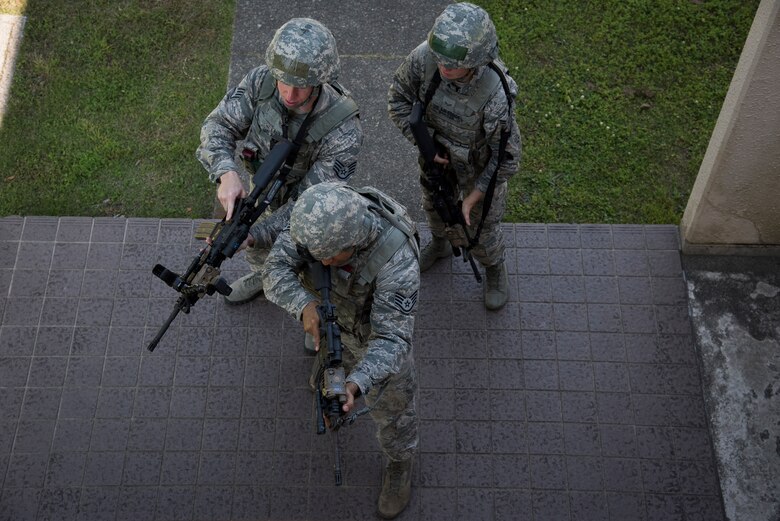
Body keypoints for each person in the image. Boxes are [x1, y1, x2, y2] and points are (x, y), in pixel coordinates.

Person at [262, 182, 419, 520]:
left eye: (326, 259)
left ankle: (399, 463)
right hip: (335, 323)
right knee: (329, 367)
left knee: (393, 412)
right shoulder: (316, 218)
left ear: (351, 246)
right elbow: (275, 269)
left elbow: (392, 341)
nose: (317, 261)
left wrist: (357, 384)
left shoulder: (397, 263)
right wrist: (304, 305)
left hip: (375, 341)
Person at [197, 18, 363, 305]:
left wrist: (256, 233)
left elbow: (307, 205)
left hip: (315, 207)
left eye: (301, 86)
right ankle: (264, 276)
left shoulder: (343, 130)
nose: (288, 93)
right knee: (256, 248)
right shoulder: (261, 82)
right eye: (283, 80)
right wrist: (226, 172)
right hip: (263, 186)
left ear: (320, 79)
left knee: (314, 262)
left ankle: (317, 314)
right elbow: (218, 126)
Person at [387, 2, 521, 310]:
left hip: (480, 168)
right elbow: (398, 100)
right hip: (436, 157)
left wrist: (475, 195)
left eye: (453, 64)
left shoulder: (495, 94)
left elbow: (507, 158)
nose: (444, 68)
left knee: (481, 226)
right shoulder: (425, 58)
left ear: (477, 60)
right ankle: (441, 243)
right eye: (440, 60)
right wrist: (427, 145)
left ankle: (493, 267)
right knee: (435, 206)